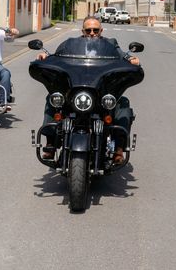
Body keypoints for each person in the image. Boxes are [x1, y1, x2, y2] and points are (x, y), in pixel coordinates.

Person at [36, 16, 140, 163]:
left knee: (122, 103)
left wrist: (131, 60)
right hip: (76, 90)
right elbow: (57, 56)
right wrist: (45, 57)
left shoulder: (110, 44)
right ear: (83, 30)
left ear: (101, 30)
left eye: (95, 30)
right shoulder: (71, 44)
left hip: (100, 92)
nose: (92, 33)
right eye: (88, 30)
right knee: (53, 99)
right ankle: (51, 142)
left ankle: (119, 148)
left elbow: (122, 56)